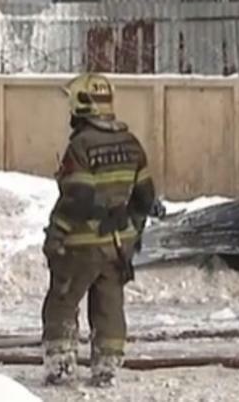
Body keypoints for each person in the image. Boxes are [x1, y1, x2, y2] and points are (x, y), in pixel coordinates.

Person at [41, 72, 163, 387]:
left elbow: (78, 196)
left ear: (82, 104)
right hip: (117, 247)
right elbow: (146, 196)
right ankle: (107, 366)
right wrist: (131, 233)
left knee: (63, 300)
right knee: (109, 305)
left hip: (82, 244)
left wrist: (56, 234)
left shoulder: (81, 145)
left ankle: (61, 366)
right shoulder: (131, 143)